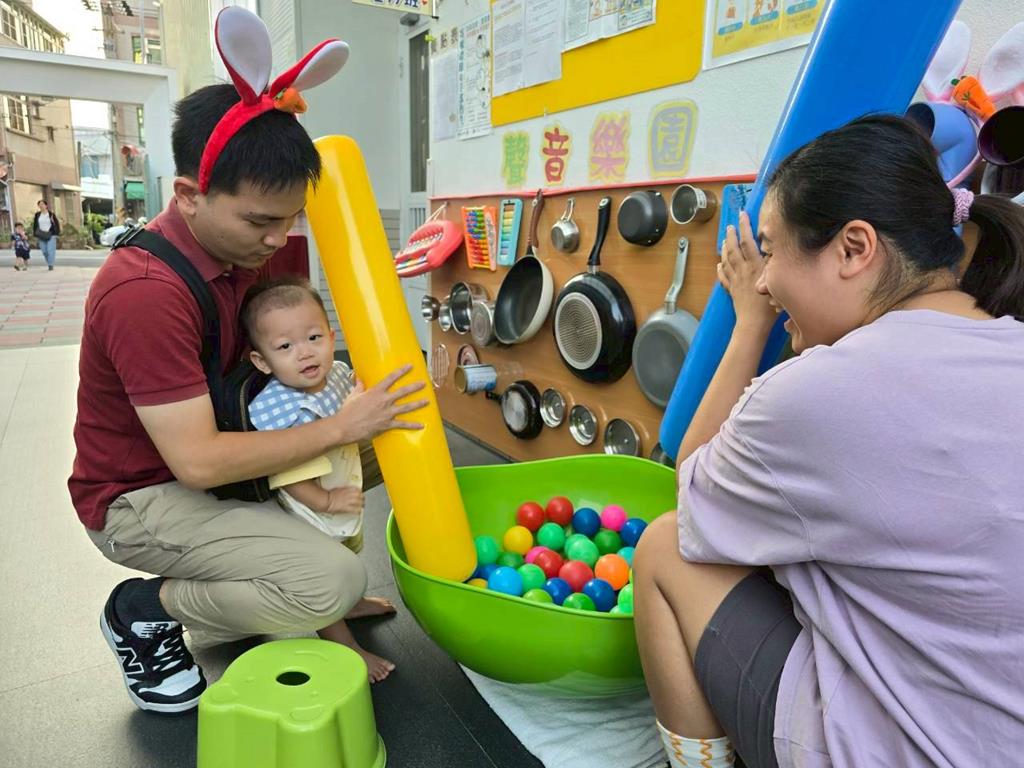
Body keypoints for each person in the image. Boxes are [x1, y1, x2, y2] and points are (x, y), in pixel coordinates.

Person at [633, 115, 1024, 768]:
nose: (762, 281)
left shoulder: (820, 391)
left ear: (853, 249)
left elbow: (693, 490)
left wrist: (749, 326)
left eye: (771, 251)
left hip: (908, 751)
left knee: (663, 546)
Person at [68, 79, 427, 713]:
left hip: (234, 456)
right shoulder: (143, 292)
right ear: (189, 196)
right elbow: (199, 462)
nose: (277, 239)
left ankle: (287, 575)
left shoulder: (246, 251)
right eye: (261, 221)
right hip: (144, 496)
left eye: (290, 218)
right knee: (331, 580)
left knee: (398, 425)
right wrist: (342, 426)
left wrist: (354, 397)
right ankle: (144, 610)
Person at [242, 276, 395, 681]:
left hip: (337, 490)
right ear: (262, 361)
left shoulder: (337, 375)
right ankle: (343, 643)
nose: (304, 353)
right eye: (285, 347)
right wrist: (325, 501)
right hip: (308, 509)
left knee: (349, 549)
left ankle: (351, 603)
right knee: (325, 576)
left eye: (313, 338)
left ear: (331, 336)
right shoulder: (279, 407)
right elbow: (285, 472)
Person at [33, 199, 59, 270]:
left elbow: (56, 223)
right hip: (41, 234)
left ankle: (50, 265)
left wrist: (56, 233)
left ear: (46, 205)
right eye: (39, 204)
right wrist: (35, 233)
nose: (41, 205)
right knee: (44, 251)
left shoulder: (51, 214)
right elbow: (35, 225)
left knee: (50, 250)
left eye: (42, 204)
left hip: (51, 234)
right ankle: (49, 262)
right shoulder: (37, 215)